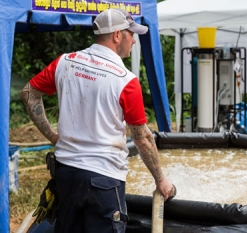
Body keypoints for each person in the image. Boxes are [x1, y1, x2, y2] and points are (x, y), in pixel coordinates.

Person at [19, 8, 175, 232]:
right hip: (104, 180)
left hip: (66, 175)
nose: (134, 40)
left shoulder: (65, 62)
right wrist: (161, 179)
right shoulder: (125, 81)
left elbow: (28, 93)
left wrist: (52, 136)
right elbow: (142, 138)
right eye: (131, 34)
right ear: (117, 35)